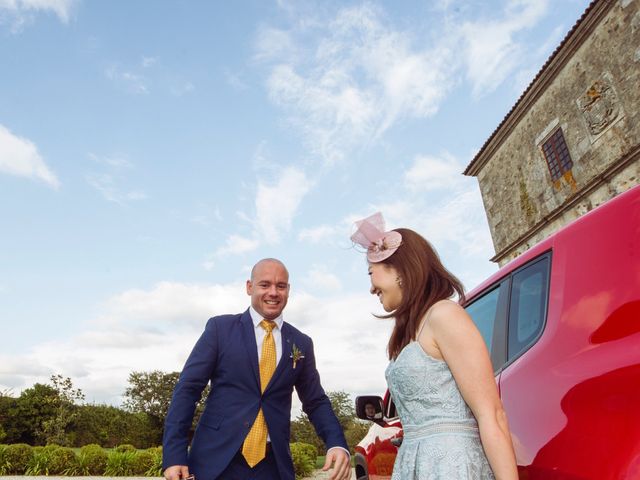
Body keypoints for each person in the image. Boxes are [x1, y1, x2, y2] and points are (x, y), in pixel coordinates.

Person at [351, 213, 518, 480]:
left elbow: (492, 414)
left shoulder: (444, 315)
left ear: (400, 270)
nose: (372, 288)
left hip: (452, 466)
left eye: (371, 273)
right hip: (414, 463)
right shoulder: (411, 331)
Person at [162, 258, 351, 480]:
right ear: (249, 287)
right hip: (215, 463)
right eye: (265, 285)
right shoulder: (219, 329)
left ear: (288, 291)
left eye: (281, 286)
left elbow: (315, 401)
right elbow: (187, 390)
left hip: (272, 466)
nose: (273, 292)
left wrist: (337, 443)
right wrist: (175, 455)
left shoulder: (301, 343)